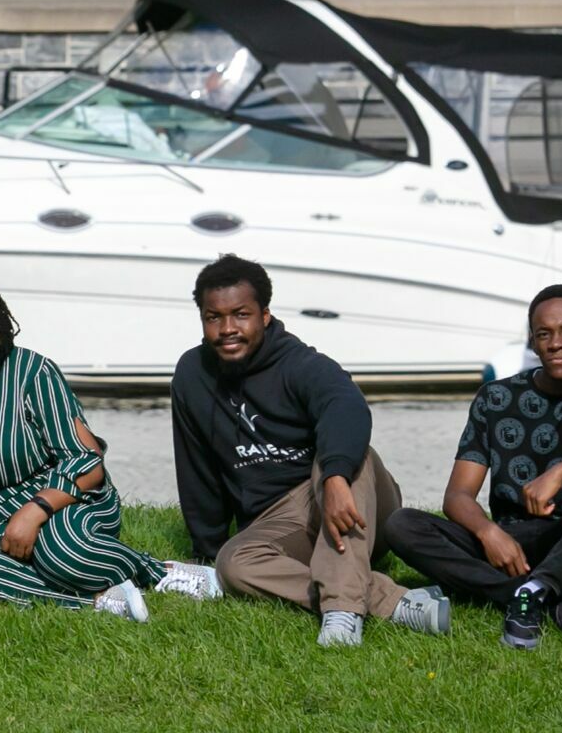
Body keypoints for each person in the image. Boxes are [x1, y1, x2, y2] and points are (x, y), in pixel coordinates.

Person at [0, 268, 216, 619]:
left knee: (58, 549)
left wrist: (34, 512)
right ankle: (97, 600)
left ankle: (160, 572)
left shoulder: (32, 372)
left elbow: (88, 463)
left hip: (63, 503)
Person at [169, 253, 449, 647]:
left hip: (354, 505)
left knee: (352, 457)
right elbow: (195, 464)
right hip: (280, 521)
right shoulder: (192, 375)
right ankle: (392, 601)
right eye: (214, 317)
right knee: (234, 565)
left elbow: (346, 406)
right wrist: (208, 551)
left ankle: (343, 613)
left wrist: (334, 478)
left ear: (265, 316)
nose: (227, 328)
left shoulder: (300, 363)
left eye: (241, 315)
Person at [381, 284, 562, 650]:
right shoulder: (497, 398)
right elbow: (457, 496)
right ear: (533, 342)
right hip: (516, 545)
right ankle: (531, 593)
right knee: (401, 524)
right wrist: (489, 533)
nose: (556, 343)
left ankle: (539, 587)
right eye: (544, 334)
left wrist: (560, 472)